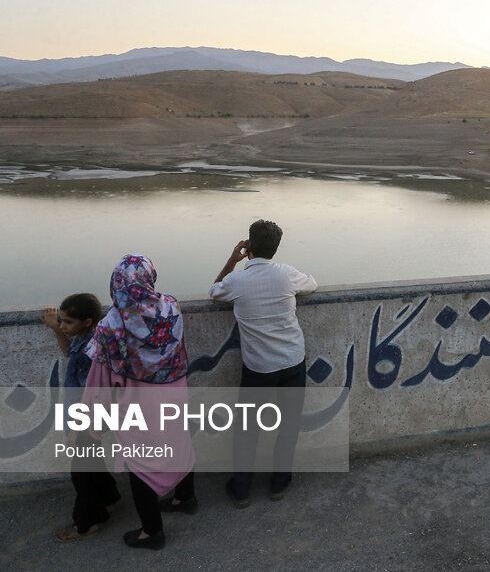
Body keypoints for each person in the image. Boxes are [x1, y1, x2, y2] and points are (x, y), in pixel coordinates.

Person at [84, 255, 196, 550]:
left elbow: (99, 376)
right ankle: (186, 498)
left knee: (141, 464)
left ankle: (152, 532)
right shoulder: (172, 306)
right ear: (150, 277)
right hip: (175, 391)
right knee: (180, 441)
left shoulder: (111, 325)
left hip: (139, 403)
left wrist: (91, 419)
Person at [210, 219, 317, 507]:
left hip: (259, 367)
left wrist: (232, 260)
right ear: (276, 248)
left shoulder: (238, 281)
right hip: (293, 361)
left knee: (247, 430)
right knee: (289, 425)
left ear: (249, 246)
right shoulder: (286, 274)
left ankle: (242, 490)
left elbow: (215, 290)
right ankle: (279, 484)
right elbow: (313, 284)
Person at [40, 293, 121, 542]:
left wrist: (76, 430)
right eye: (62, 320)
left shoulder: (91, 351)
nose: (63, 325)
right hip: (89, 416)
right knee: (92, 462)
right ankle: (109, 499)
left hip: (87, 418)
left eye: (67, 322)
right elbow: (69, 354)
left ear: (87, 321)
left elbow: (91, 394)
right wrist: (57, 329)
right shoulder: (89, 339)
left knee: (81, 474)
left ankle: (86, 524)